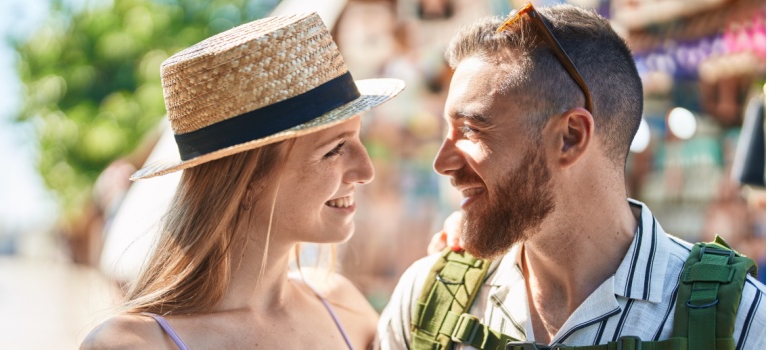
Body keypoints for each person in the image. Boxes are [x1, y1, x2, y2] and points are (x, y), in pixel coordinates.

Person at [377, 3, 765, 349]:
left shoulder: (743, 323)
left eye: (472, 130)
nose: (442, 161)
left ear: (570, 137)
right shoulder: (427, 300)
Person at [81, 12, 406, 349]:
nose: (366, 171)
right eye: (334, 150)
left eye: (357, 139)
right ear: (249, 178)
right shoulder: (136, 343)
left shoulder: (343, 306)